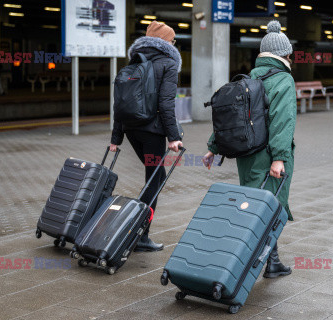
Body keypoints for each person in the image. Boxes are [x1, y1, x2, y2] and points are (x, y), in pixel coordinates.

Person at [202, 20, 296, 278]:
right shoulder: (284, 80)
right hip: (267, 156)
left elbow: (231, 119)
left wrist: (213, 147)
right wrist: (279, 158)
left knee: (257, 205)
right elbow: (283, 122)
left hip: (246, 155)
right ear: (284, 55)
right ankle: (250, 262)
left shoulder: (250, 78)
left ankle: (272, 260)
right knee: (272, 207)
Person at [110, 21, 183, 252]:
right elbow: (166, 103)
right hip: (152, 131)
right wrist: (174, 136)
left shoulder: (134, 62)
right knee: (154, 179)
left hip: (131, 129)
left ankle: (136, 228)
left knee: (155, 176)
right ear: (165, 42)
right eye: (172, 40)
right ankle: (140, 234)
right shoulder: (168, 63)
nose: (174, 44)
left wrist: (116, 139)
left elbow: (120, 104)